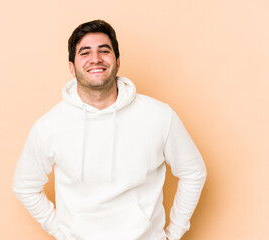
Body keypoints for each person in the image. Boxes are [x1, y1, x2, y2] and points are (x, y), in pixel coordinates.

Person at [12, 19, 207, 240]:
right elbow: (24, 186)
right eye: (85, 53)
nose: (95, 58)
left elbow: (193, 172)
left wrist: (175, 232)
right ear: (71, 67)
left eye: (104, 51)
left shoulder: (159, 115)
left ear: (117, 61)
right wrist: (60, 231)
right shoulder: (50, 125)